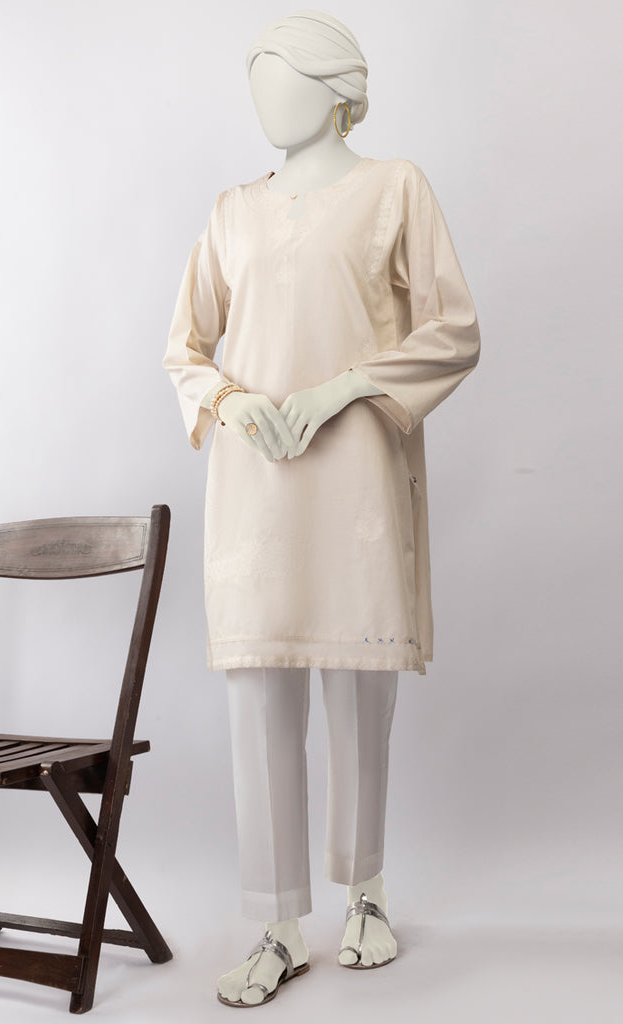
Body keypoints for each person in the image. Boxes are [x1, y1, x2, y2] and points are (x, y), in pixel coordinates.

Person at [163, 10, 480, 1008]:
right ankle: (275, 924)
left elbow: (452, 329)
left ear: (339, 89)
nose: (266, 97)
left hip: (353, 478)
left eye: (284, 77)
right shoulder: (230, 212)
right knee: (258, 696)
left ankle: (365, 896)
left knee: (356, 691)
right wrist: (230, 401)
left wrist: (341, 388)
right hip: (253, 485)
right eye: (256, 79)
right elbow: (184, 348)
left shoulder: (395, 188)